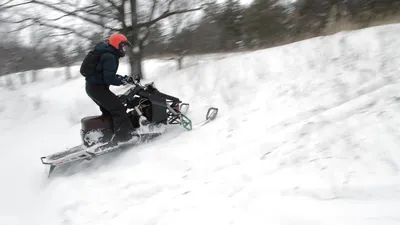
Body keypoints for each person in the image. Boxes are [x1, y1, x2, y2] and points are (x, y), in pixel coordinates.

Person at [84, 33, 138, 143]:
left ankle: (107, 136)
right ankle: (124, 137)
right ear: (117, 44)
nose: (124, 49)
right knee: (119, 109)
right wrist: (124, 80)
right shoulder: (110, 56)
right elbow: (109, 78)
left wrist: (124, 79)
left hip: (93, 88)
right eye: (123, 46)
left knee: (110, 111)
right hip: (97, 89)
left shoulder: (107, 54)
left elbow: (105, 76)